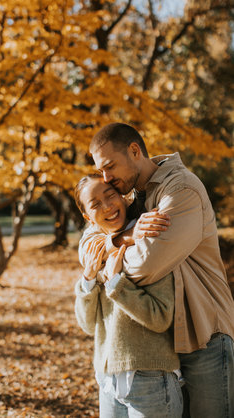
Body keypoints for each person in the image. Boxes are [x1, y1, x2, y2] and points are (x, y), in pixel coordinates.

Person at [79, 122, 234, 418]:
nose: (106, 178)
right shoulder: (132, 196)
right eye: (100, 171)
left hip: (205, 335)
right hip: (166, 344)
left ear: (135, 151)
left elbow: (147, 264)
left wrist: (105, 268)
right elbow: (88, 240)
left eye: (109, 167)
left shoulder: (180, 189)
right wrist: (122, 236)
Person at [74, 173, 183, 417]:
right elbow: (88, 325)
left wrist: (116, 284)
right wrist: (89, 280)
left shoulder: (147, 241)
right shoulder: (96, 253)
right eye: (95, 204)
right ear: (87, 217)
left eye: (110, 195)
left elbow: (160, 317)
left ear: (124, 198)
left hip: (151, 377)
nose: (107, 206)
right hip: (108, 380)